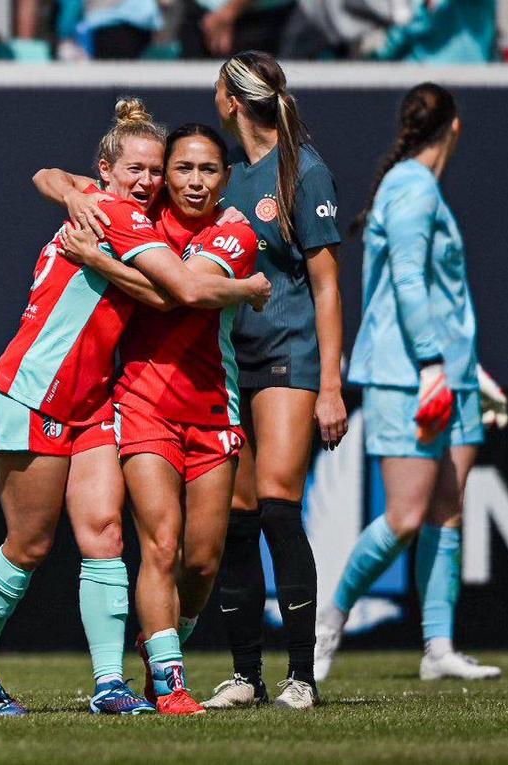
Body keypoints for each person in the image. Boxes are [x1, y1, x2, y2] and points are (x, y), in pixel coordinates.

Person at [0, 99, 269, 717]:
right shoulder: (118, 214)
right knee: (30, 546)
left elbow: (53, 179)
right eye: (137, 170)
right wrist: (246, 290)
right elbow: (178, 290)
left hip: (93, 400)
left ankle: (109, 685)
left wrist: (67, 194)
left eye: (157, 169)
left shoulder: (115, 211)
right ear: (106, 173)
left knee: (106, 534)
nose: (148, 181)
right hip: (32, 393)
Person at [61, 123, 260, 715]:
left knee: (201, 563)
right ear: (166, 174)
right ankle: (170, 684)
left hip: (212, 410)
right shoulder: (141, 219)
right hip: (144, 404)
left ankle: (158, 648)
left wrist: (98, 258)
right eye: (183, 169)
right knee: (161, 543)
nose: (194, 182)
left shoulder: (237, 230)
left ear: (225, 178)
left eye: (207, 170)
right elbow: (53, 175)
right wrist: (66, 190)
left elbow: (186, 294)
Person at [314, 83, 508, 684]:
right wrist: (430, 364)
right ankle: (326, 624)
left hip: (446, 371)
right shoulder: (412, 188)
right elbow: (406, 280)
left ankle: (438, 648)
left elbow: (442, 298)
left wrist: (467, 368)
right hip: (410, 373)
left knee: (447, 509)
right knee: (404, 516)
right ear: (454, 127)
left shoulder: (416, 188)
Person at [203, 50, 348, 711]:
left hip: (289, 357)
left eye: (218, 87)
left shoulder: (302, 171)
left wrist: (330, 385)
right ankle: (246, 674)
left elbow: (325, 285)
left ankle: (302, 677)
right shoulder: (227, 178)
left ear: (234, 99)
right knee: (237, 518)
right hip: (234, 361)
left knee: (278, 505)